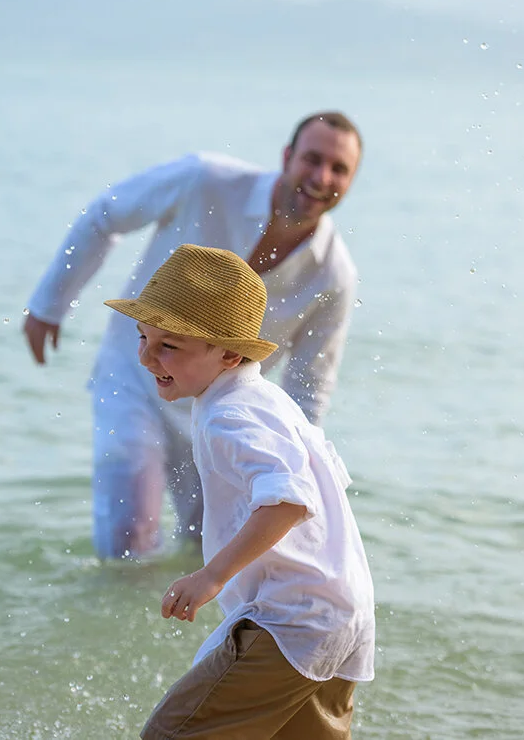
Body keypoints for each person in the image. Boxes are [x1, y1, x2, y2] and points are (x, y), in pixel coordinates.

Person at [23, 111, 363, 561]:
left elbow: (307, 389)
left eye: (338, 168)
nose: (321, 177)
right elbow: (107, 215)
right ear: (287, 156)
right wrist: (50, 304)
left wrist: (304, 475)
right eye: (312, 159)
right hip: (136, 376)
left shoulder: (334, 274)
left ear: (352, 180)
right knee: (128, 543)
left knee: (214, 553)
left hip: (225, 413)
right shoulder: (205, 179)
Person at [102, 243, 374, 739]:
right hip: (339, 615)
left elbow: (291, 500)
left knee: (170, 735)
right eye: (143, 337)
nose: (145, 357)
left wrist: (212, 576)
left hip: (290, 621)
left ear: (229, 353)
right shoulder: (263, 398)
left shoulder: (231, 414)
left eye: (169, 346)